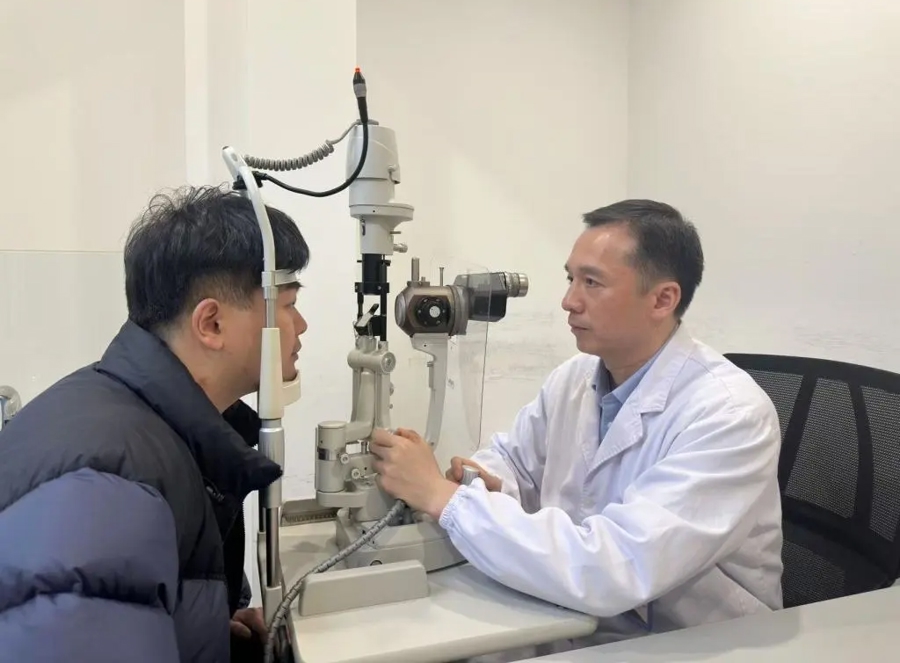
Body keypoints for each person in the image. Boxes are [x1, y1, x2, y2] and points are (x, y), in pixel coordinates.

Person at [370, 199, 783, 646]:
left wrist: (443, 498)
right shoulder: (576, 377)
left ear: (663, 299)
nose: (569, 301)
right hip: (573, 620)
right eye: (571, 279)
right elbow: (515, 461)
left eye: (592, 282)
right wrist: (480, 479)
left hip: (688, 643)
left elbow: (615, 568)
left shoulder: (729, 415)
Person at [0, 185, 309, 662]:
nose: (301, 325)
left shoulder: (148, 429)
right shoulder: (110, 491)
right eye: (287, 305)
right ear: (212, 324)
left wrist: (203, 630)